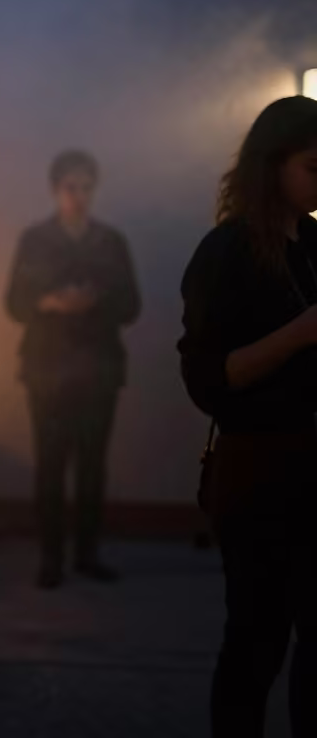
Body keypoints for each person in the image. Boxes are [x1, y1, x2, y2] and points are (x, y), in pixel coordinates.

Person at [179, 95, 317, 738]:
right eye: (315, 167)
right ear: (272, 167)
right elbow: (210, 379)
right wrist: (302, 332)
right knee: (257, 640)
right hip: (260, 470)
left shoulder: (314, 244)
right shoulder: (227, 251)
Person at [5, 150, 140, 589]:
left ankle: (85, 553)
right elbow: (14, 303)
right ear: (56, 189)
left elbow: (132, 305)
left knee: (91, 463)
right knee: (50, 462)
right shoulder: (36, 240)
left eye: (85, 187)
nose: (79, 196)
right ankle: (51, 557)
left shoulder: (111, 241)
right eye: (71, 187)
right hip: (47, 366)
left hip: (98, 365)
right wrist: (51, 302)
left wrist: (93, 300)